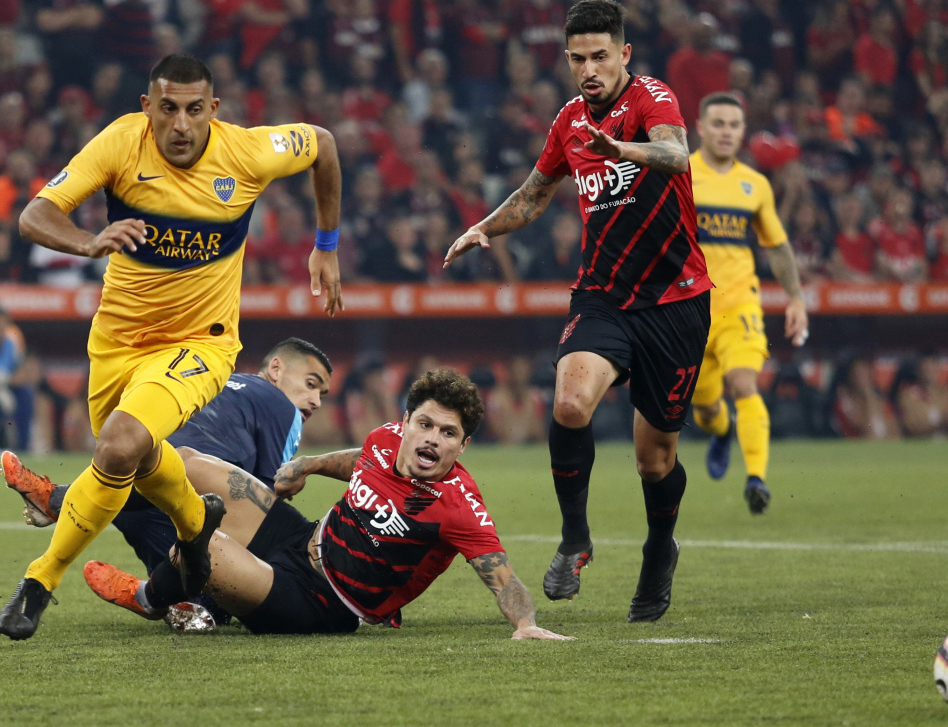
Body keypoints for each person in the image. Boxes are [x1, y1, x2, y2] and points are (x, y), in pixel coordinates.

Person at [0, 53, 345, 641]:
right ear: (146, 109)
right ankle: (194, 526)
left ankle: (39, 581)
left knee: (120, 445)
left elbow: (324, 144)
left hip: (199, 345)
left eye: (193, 110)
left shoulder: (248, 152)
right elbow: (35, 215)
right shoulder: (118, 144)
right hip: (116, 345)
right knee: (138, 462)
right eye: (167, 110)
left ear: (213, 110)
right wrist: (88, 242)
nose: (180, 125)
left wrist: (327, 243)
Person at [445, 0, 713, 623]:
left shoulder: (651, 97)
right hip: (603, 296)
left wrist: (620, 145)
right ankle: (575, 538)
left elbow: (677, 155)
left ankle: (658, 549)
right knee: (568, 401)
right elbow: (534, 194)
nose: (588, 68)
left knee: (656, 459)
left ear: (623, 54)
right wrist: (486, 227)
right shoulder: (568, 120)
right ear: (566, 60)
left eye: (599, 56)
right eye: (577, 59)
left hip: (675, 300)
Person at [83, 369, 572, 641]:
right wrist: (310, 464)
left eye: (448, 434)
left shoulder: (457, 505)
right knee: (189, 461)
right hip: (301, 539)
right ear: (406, 422)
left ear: (461, 447)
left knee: (207, 545)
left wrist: (526, 625)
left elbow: (503, 577)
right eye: (424, 425)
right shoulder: (385, 439)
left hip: (323, 603)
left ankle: (151, 596)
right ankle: (84, 496)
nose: (432, 440)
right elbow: (360, 459)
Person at [6, 337, 332, 575]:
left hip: (130, 485)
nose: (315, 400)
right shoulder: (281, 405)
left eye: (321, 393)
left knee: (200, 606)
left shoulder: (217, 382)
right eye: (310, 384)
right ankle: (149, 592)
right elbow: (260, 499)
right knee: (245, 565)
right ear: (276, 368)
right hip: (184, 488)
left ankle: (68, 501)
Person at [688, 92, 809, 515]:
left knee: (744, 384)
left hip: (740, 305)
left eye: (734, 125)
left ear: (743, 131)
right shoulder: (680, 174)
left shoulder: (754, 185)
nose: (726, 132)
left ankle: (756, 479)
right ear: (700, 127)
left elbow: (776, 246)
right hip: (688, 311)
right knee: (705, 408)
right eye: (717, 123)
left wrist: (795, 298)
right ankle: (721, 431)